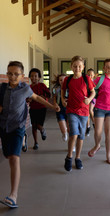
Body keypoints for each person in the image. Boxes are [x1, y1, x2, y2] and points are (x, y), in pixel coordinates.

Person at [0, 61, 59, 208]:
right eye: (9, 73)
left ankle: (13, 195)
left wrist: (52, 106)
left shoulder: (25, 88)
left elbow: (37, 98)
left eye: (16, 74)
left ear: (22, 76)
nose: (12, 76)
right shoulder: (2, 89)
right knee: (7, 155)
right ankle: (24, 140)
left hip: (18, 127)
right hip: (3, 127)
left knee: (14, 158)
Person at [61, 56, 95, 172]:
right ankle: (69, 157)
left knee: (81, 136)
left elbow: (93, 92)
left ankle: (78, 157)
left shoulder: (86, 79)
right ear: (71, 67)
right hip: (71, 110)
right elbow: (62, 89)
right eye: (75, 66)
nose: (77, 68)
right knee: (73, 134)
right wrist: (62, 99)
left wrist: (89, 99)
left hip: (84, 111)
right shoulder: (68, 79)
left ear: (83, 67)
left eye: (79, 66)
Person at [88, 59, 110, 165]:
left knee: (109, 133)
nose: (109, 68)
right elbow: (90, 88)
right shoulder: (99, 79)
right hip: (100, 108)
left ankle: (108, 156)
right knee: (97, 131)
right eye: (107, 66)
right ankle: (97, 145)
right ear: (104, 68)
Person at [52, 74, 68, 141]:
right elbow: (54, 99)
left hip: (69, 110)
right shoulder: (56, 89)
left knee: (71, 130)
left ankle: (72, 146)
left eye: (64, 79)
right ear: (58, 81)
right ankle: (64, 133)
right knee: (63, 129)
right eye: (60, 80)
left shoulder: (70, 89)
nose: (62, 81)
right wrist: (56, 105)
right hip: (60, 110)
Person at [86, 68, 96, 136]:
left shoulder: (95, 82)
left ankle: (94, 123)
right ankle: (88, 127)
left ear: (94, 75)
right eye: (88, 75)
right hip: (86, 98)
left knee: (90, 110)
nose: (90, 76)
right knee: (87, 113)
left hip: (93, 98)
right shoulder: (85, 81)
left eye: (91, 75)